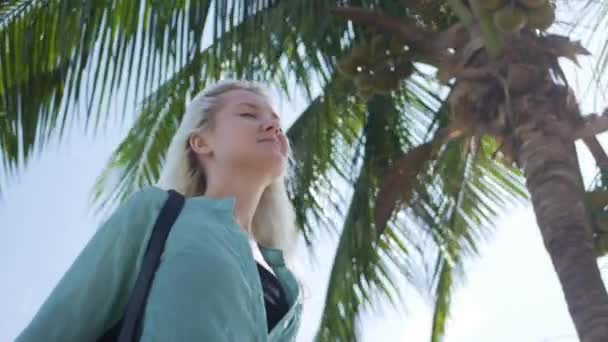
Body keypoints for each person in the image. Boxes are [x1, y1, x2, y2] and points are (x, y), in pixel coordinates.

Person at [16, 79, 304, 341]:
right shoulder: (160, 214)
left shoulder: (285, 285)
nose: (273, 127)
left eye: (276, 121)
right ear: (201, 142)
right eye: (248, 114)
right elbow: (59, 324)